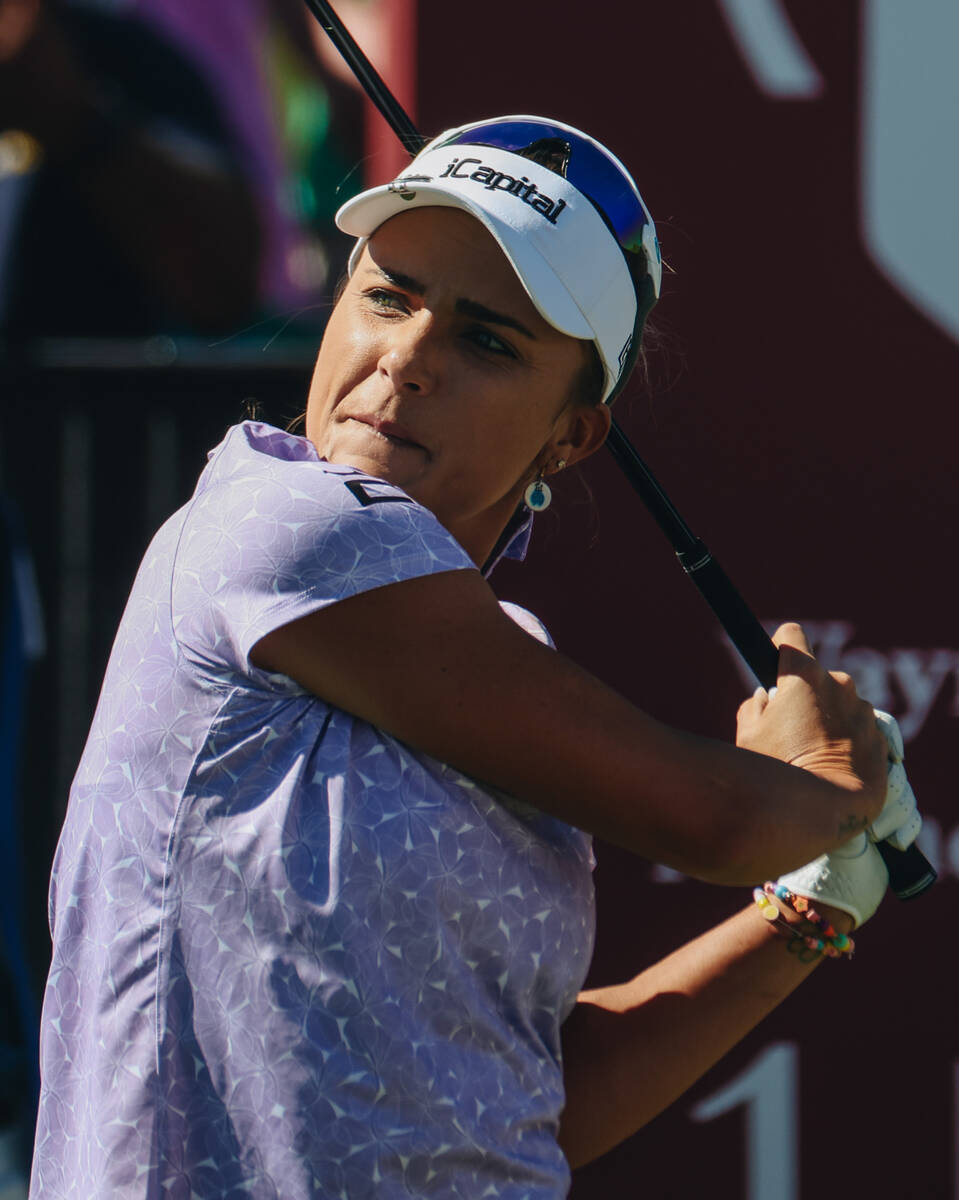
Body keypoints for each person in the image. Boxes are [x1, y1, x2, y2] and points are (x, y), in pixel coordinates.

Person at [29, 115, 919, 1199]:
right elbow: (723, 822)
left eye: (485, 342)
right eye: (386, 296)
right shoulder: (275, 528)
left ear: (572, 433)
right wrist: (821, 782)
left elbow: (522, 1101)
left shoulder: (511, 659)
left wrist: (808, 910)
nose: (403, 359)